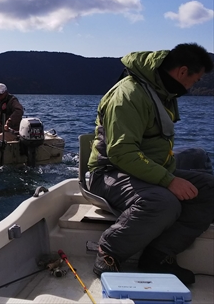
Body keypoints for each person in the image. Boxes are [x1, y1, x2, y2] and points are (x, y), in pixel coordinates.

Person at [87, 43, 214, 285]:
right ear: (182, 72)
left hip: (146, 172)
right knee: (163, 202)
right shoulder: (129, 95)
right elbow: (121, 153)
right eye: (195, 81)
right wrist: (169, 181)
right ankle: (108, 251)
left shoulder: (161, 92)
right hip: (109, 174)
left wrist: (169, 176)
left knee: (209, 189)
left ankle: (158, 255)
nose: (192, 87)